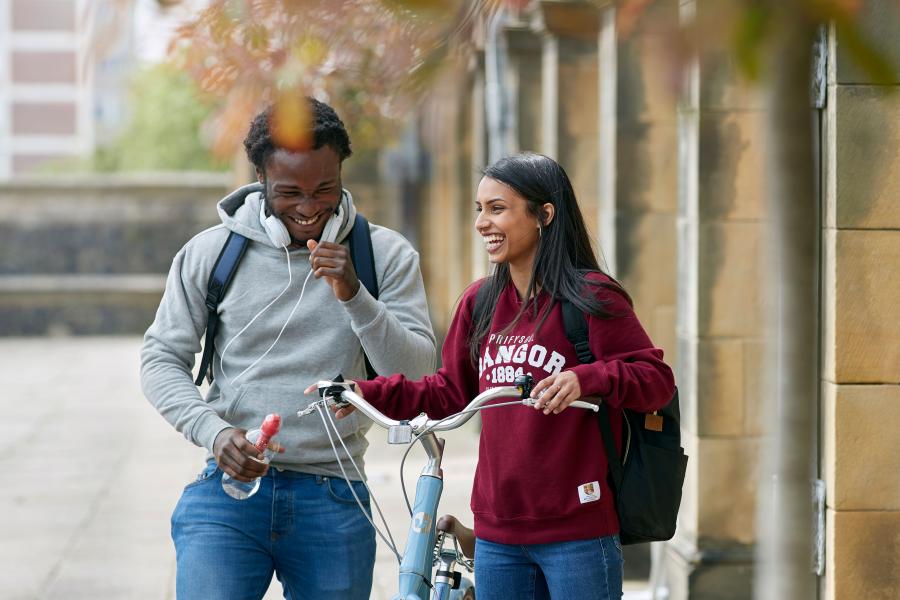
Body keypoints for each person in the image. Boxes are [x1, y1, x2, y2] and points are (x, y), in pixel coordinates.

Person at [329, 153, 675, 600]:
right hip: (498, 536)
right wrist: (366, 390)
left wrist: (587, 378)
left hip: (578, 531)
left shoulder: (591, 296)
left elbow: (655, 379)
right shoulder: (481, 302)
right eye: (479, 209)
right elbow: (450, 392)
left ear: (544, 215)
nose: (481, 223)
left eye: (497, 209)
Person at [140, 97, 436, 599]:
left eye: (324, 189)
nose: (307, 208)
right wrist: (214, 433)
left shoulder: (384, 255)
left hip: (335, 496)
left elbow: (418, 374)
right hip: (227, 495)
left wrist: (354, 295)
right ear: (260, 180)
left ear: (342, 172)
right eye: (289, 193)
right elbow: (160, 360)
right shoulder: (211, 254)